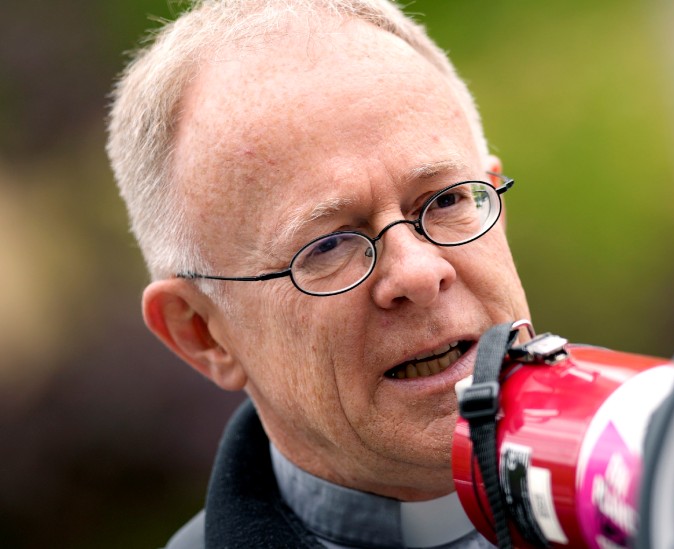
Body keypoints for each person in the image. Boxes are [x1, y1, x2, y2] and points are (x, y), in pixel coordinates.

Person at [106, 1, 531, 547]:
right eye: (327, 245)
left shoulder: (671, 459)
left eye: (447, 200)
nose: (420, 273)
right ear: (201, 332)